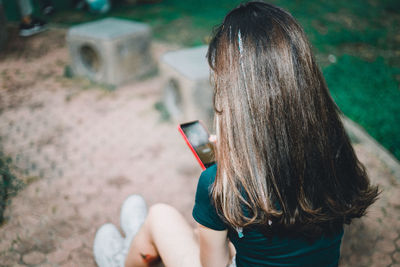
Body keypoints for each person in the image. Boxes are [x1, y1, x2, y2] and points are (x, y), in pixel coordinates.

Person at [93, 1, 380, 267]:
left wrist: (223, 177)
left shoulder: (220, 185)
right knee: (205, 232)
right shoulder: (335, 155)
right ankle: (138, 236)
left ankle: (124, 254)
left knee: (160, 217)